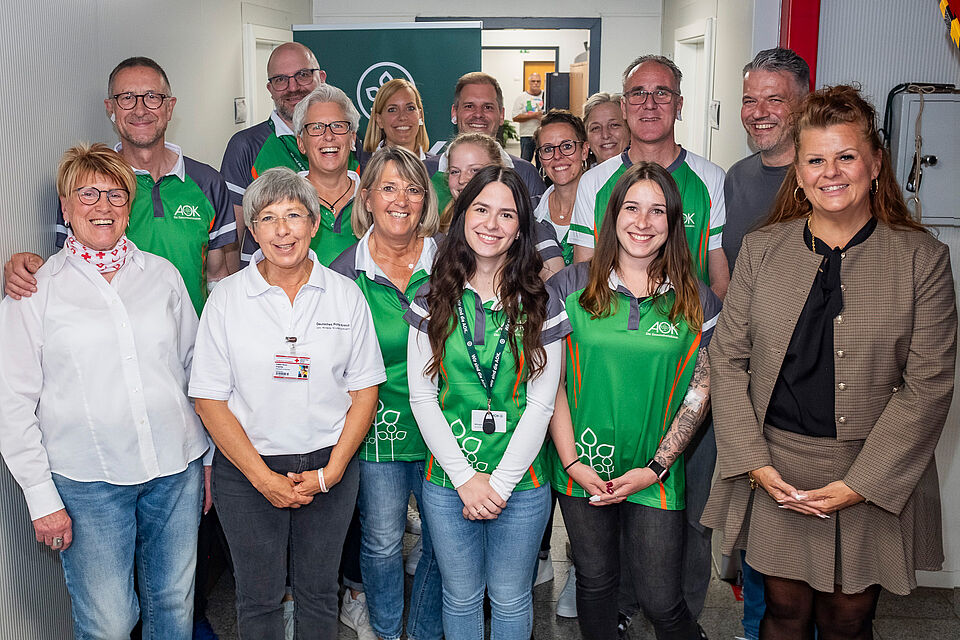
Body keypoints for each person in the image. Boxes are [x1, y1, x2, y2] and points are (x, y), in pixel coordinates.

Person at [702, 85, 957, 640]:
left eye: (846, 156)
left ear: (875, 164)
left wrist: (862, 483)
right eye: (815, 160)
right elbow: (727, 361)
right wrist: (754, 463)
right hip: (777, 466)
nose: (830, 173)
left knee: (849, 619)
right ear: (798, 172)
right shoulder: (763, 250)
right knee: (782, 614)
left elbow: (929, 385)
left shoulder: (923, 259)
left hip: (872, 466)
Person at [0, 143, 209, 639]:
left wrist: (209, 460)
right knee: (110, 623)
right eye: (87, 193)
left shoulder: (162, 275)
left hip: (175, 469)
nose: (103, 206)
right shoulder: (36, 290)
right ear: (65, 207)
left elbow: (196, 370)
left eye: (116, 195)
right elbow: (12, 402)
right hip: (87, 482)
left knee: (174, 605)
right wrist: (41, 498)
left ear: (129, 208)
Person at [190, 167, 386, 640]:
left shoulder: (345, 295)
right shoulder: (227, 299)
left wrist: (332, 472)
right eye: (268, 218)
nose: (282, 230)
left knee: (320, 593)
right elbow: (209, 400)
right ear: (253, 231)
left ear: (314, 224)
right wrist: (264, 479)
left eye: (294, 215)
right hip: (248, 470)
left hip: (329, 465)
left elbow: (365, 391)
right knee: (258, 598)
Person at [569, 53, 728, 622]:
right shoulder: (595, 183)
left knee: (682, 536)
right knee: (601, 555)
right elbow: (582, 284)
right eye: (638, 93)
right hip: (601, 405)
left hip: (676, 382)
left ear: (679, 104)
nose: (650, 103)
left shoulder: (709, 179)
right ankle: (619, 611)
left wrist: (705, 342)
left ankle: (674, 612)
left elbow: (717, 275)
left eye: (662, 93)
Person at [548, 161, 720, 640]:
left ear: (673, 222)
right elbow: (549, 384)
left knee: (661, 600)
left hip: (655, 472)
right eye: (632, 208)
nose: (643, 222)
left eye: (657, 211)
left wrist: (657, 467)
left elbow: (699, 393)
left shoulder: (699, 300)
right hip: (581, 464)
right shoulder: (568, 287)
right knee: (596, 582)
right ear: (612, 215)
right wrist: (572, 462)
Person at [406, 166, 566, 639]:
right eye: (481, 209)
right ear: (462, 216)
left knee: (511, 598)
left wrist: (498, 485)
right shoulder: (430, 296)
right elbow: (422, 396)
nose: (492, 224)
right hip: (448, 479)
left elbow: (541, 404)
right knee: (460, 596)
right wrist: (465, 479)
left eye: (507, 214)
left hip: (522, 482)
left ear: (521, 229)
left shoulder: (542, 302)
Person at [4, 56, 236, 316]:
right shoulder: (85, 190)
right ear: (110, 108)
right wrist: (28, 269)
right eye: (127, 97)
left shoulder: (208, 183)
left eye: (152, 97)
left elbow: (218, 276)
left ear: (169, 107)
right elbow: (66, 268)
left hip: (190, 337)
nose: (140, 110)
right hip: (108, 335)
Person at [328, 146, 444, 640]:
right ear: (367, 197)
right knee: (380, 542)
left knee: (442, 543)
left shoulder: (452, 262)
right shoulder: (342, 272)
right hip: (376, 428)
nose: (401, 200)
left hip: (448, 427)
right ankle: (387, 630)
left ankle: (423, 631)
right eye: (388, 188)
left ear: (426, 200)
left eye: (413, 189)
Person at [722, 47, 810, 640]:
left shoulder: (826, 176)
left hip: (817, 385)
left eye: (774, 99)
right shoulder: (738, 177)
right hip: (756, 383)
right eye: (749, 99)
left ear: (804, 102)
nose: (758, 112)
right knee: (762, 530)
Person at [240, 84, 362, 267]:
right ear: (301, 143)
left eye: (338, 126)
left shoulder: (376, 200)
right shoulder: (275, 206)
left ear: (352, 138)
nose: (328, 136)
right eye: (316, 127)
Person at [221, 43, 328, 251]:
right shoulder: (245, 146)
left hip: (340, 271)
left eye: (303, 75)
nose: (293, 87)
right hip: (267, 271)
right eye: (280, 79)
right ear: (270, 89)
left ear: (321, 78)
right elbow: (231, 241)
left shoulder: (346, 142)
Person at [443, 132, 565, 279]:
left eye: (475, 170)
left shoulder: (533, 231)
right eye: (454, 171)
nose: (462, 179)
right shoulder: (442, 228)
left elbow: (558, 284)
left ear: (497, 171)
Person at [432, 72, 546, 211]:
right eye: (469, 106)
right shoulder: (427, 172)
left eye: (488, 107)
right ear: (454, 113)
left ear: (501, 115)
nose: (478, 114)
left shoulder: (526, 174)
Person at [533, 109, 590, 265]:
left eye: (567, 146)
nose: (557, 156)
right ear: (541, 159)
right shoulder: (530, 211)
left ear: (584, 151)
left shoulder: (604, 209)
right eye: (548, 149)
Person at [362, 78, 439, 173]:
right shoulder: (362, 168)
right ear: (379, 120)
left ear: (420, 115)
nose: (402, 117)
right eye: (392, 110)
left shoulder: (438, 170)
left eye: (410, 108)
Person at [583, 92, 628, 167]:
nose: (605, 135)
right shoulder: (580, 175)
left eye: (614, 125)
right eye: (596, 128)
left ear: (629, 130)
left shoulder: (647, 172)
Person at [512, 72, 545, 161]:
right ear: (529, 82)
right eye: (533, 81)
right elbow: (515, 117)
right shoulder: (521, 97)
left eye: (538, 81)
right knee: (525, 161)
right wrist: (534, 115)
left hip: (543, 135)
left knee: (542, 161)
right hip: (527, 135)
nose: (536, 83)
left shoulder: (546, 95)